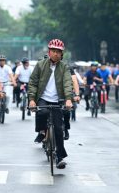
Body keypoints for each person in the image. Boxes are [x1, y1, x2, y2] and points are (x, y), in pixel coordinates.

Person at [28, 39, 73, 169]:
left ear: (62, 54)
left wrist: (68, 98)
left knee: (59, 129)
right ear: (49, 52)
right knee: (42, 112)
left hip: (58, 100)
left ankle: (60, 157)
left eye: (58, 52)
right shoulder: (40, 65)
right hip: (43, 98)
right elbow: (33, 83)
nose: (56, 54)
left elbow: (67, 83)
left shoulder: (64, 67)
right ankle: (42, 132)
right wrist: (31, 99)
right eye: (53, 51)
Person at [63, 65, 81, 140]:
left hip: (67, 93)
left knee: (66, 111)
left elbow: (75, 81)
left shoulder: (68, 68)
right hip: (52, 94)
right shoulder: (46, 67)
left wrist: (77, 94)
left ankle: (66, 129)